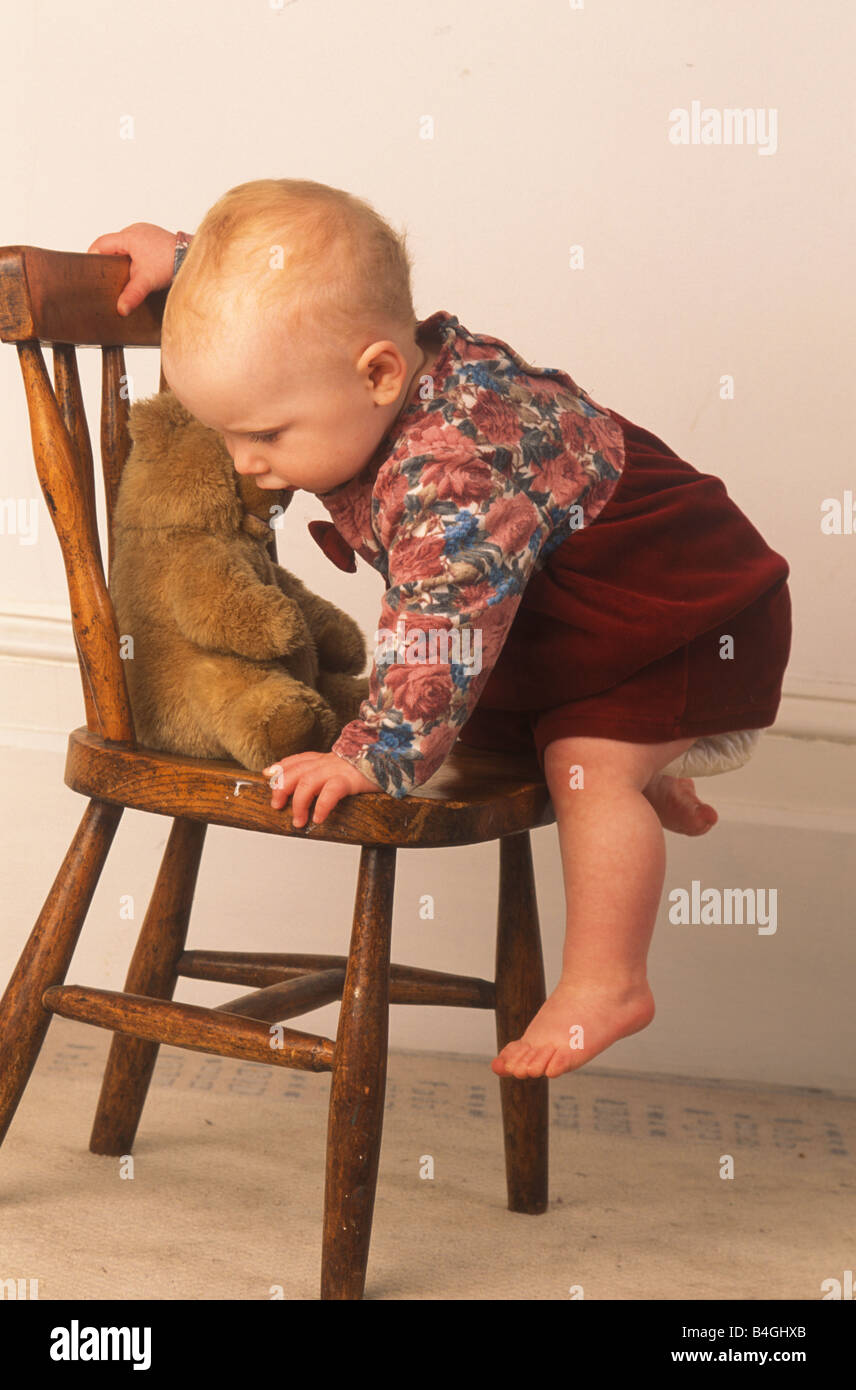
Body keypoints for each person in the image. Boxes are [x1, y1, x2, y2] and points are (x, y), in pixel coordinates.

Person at [87, 179, 791, 1081]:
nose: (244, 463)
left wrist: (371, 755)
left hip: (678, 610)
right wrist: (186, 267)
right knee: (524, 720)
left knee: (586, 763)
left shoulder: (451, 473)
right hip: (567, 616)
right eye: (227, 436)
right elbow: (283, 296)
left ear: (380, 372)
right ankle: (654, 767)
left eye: (262, 433)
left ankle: (610, 976)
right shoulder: (364, 368)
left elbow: (441, 627)